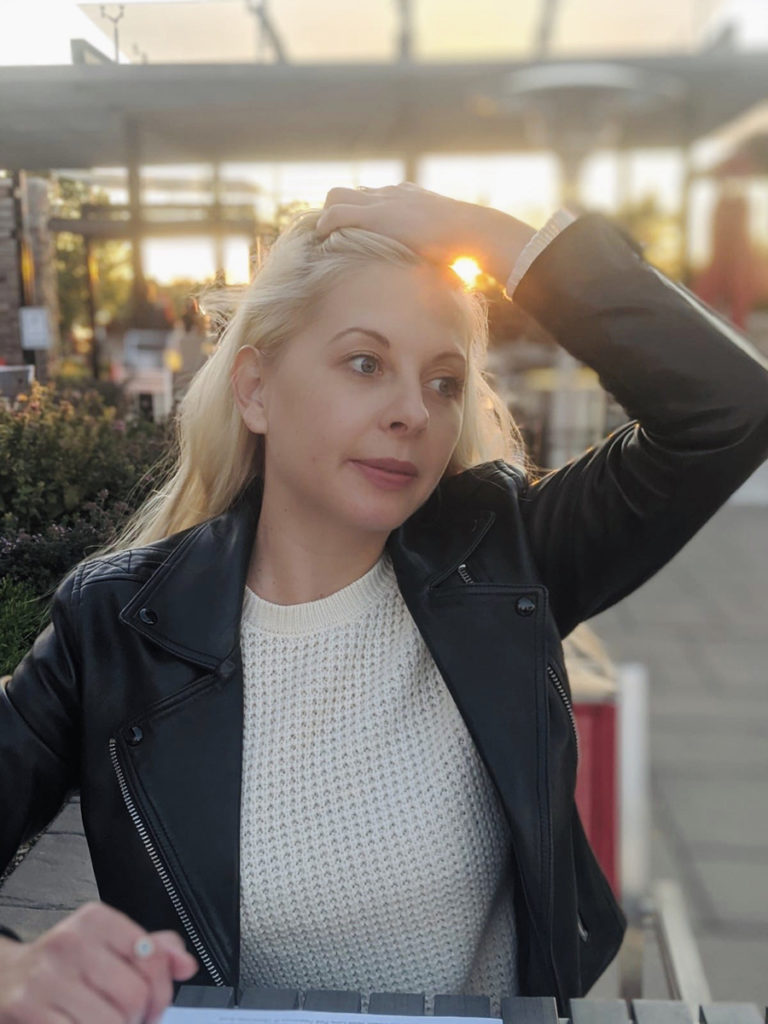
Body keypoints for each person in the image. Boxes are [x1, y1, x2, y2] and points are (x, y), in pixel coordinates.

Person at [2, 182, 768, 1023]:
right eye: (365, 363)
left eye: (443, 382)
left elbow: (727, 408)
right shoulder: (113, 628)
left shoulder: (508, 562)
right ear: (255, 389)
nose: (411, 411)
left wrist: (495, 238)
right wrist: (11, 976)